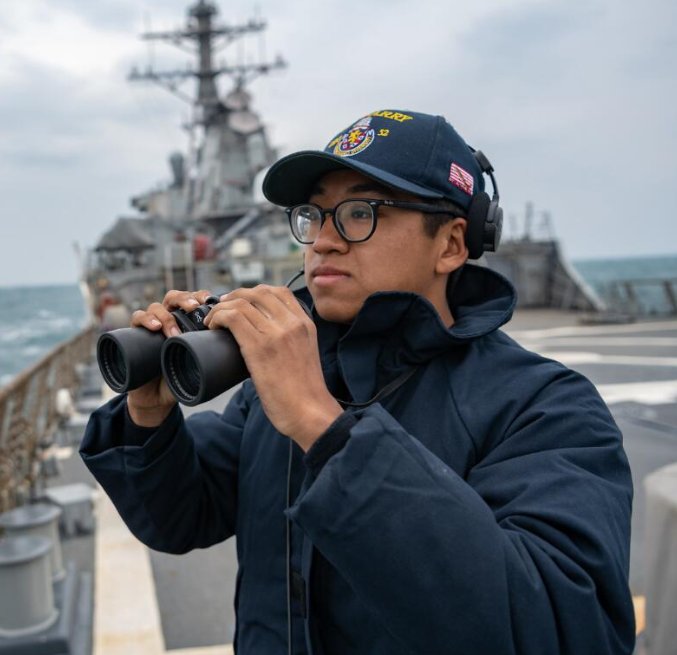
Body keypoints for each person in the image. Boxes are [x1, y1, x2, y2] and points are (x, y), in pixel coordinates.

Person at [80, 110, 635, 654]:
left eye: (360, 212)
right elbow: (182, 518)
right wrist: (148, 416)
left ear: (451, 245)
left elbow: (566, 628)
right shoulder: (276, 387)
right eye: (314, 215)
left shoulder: (545, 407)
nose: (323, 240)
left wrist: (324, 427)